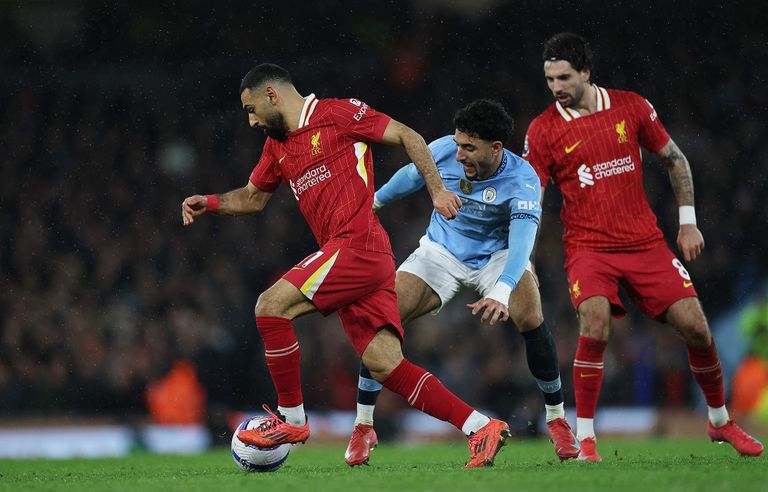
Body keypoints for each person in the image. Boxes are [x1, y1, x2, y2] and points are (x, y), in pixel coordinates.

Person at [181, 63, 510, 468]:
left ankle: (290, 418)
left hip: (358, 245)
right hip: (356, 257)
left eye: (250, 109)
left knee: (269, 306)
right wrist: (210, 203)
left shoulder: (338, 114)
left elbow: (408, 135)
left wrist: (438, 190)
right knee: (386, 366)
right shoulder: (277, 146)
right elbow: (252, 197)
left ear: (271, 95)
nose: (250, 121)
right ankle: (480, 426)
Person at [522, 33, 764, 461]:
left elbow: (675, 159)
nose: (556, 87)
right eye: (549, 79)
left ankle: (720, 421)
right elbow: (532, 199)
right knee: (594, 321)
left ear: (586, 73)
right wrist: (524, 256)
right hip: (587, 247)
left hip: (645, 243)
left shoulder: (631, 106)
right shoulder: (543, 130)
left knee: (697, 327)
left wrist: (686, 223)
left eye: (564, 77)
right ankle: (587, 439)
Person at [344, 99, 579, 466]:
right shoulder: (443, 152)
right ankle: (362, 426)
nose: (459, 153)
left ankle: (557, 418)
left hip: (498, 256)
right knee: (381, 317)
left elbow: (521, 247)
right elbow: (409, 178)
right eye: (458, 143)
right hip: (442, 251)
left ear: (495, 148)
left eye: (469, 147)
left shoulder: (523, 180)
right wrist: (371, 205)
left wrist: (502, 291)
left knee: (531, 315)